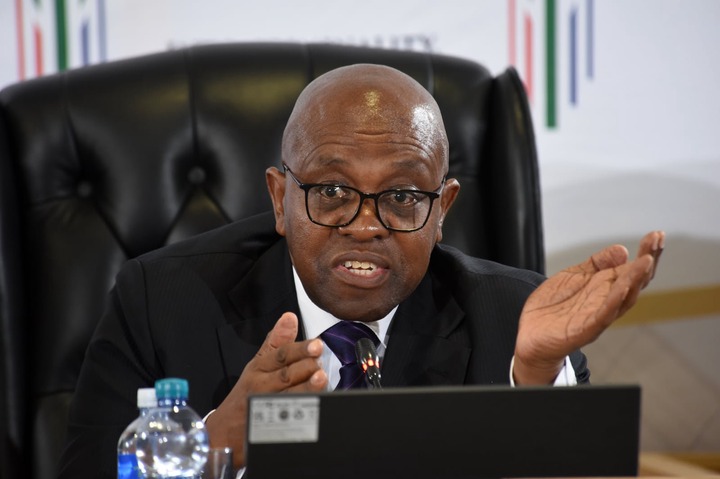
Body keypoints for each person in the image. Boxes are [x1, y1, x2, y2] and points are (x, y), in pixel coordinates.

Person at [56, 64, 664, 477]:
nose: (366, 225)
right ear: (279, 200)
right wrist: (218, 443)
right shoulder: (160, 301)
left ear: (442, 210)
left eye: (402, 196)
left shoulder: (515, 318)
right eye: (332, 191)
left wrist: (534, 379)